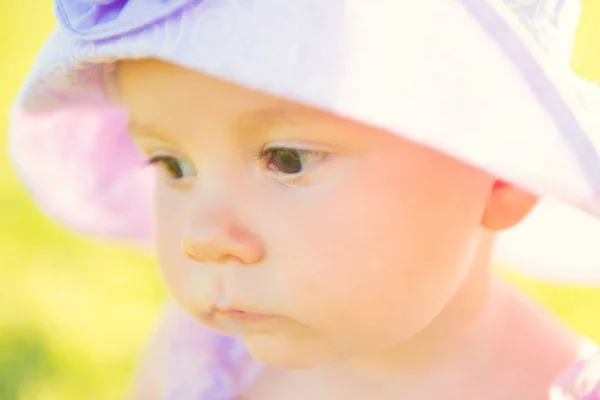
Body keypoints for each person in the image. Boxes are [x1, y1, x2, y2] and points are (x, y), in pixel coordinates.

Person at [8, 0, 600, 398]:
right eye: (172, 164)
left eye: (285, 159)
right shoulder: (207, 360)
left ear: (501, 174)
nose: (202, 236)